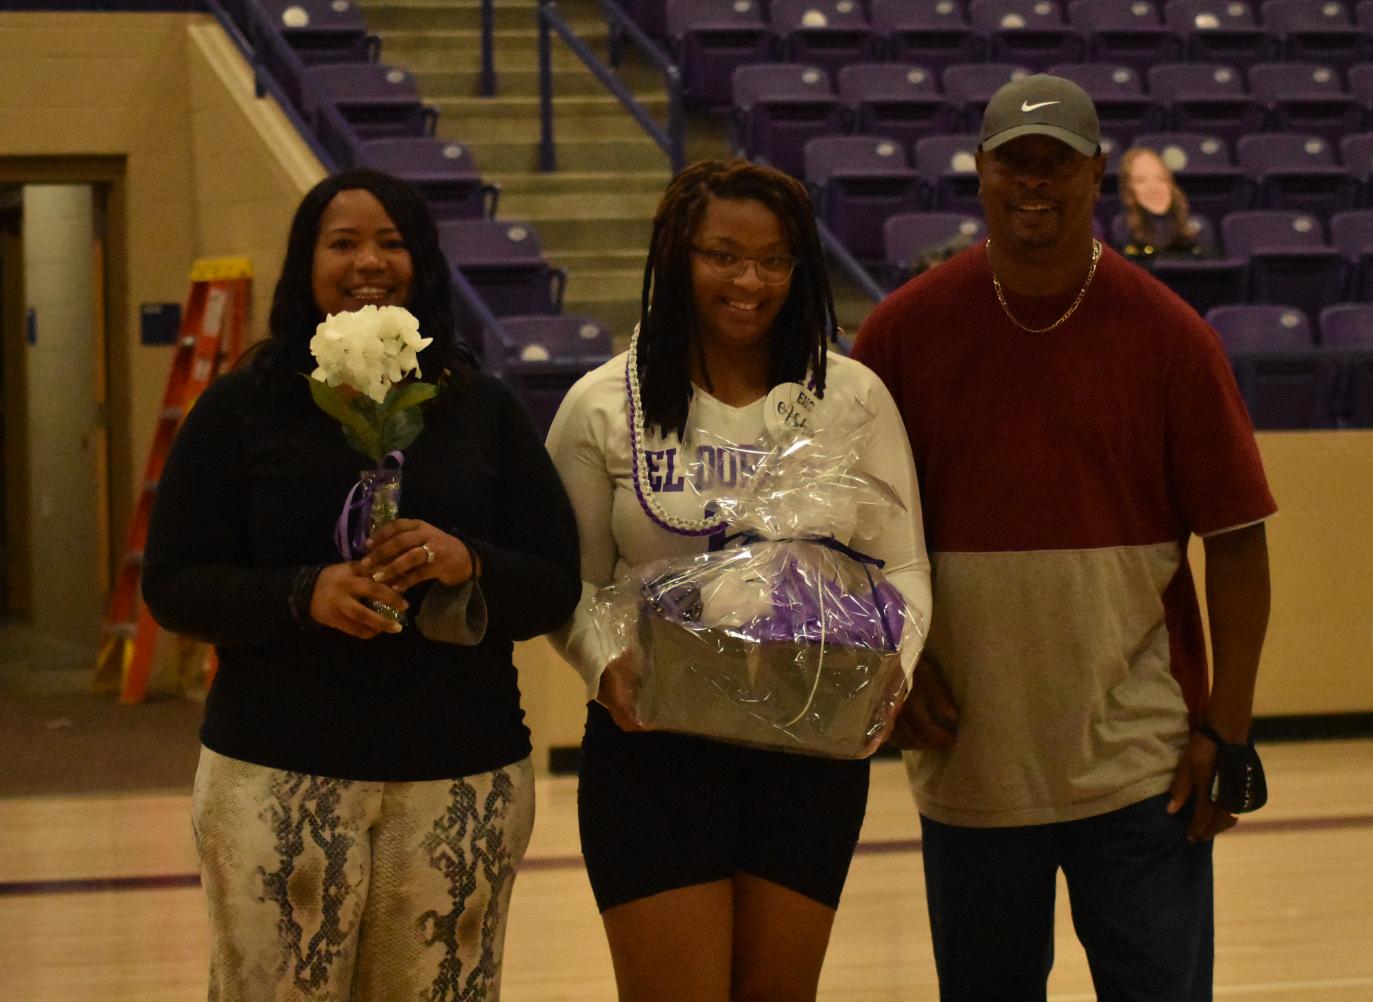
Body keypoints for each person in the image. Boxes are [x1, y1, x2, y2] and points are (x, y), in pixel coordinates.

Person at [851, 74, 1275, 1001]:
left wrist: (1227, 733)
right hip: (970, 767)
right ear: (980, 173)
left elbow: (1238, 545)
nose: (1033, 183)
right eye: (1015, 163)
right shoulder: (901, 334)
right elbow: (845, 538)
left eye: (1056, 164)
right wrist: (894, 664)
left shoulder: (1170, 337)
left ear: (1096, 176)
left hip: (1140, 768)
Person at [142, 168, 581, 1001]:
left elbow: (556, 583)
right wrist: (302, 594)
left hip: (460, 775)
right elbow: (173, 584)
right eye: (342, 243)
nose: (368, 261)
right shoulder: (243, 407)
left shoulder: (479, 407)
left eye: (391, 241)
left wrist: (469, 562)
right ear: (306, 265)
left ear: (422, 262)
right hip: (278, 771)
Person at [544, 159, 930, 1002]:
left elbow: (902, 565)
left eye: (774, 260)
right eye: (722, 255)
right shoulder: (601, 403)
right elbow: (565, 583)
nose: (748, 282)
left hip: (808, 746)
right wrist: (601, 662)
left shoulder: (852, 396)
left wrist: (890, 663)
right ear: (676, 256)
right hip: (653, 753)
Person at [1112, 146, 1214, 259]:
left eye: (1161, 179)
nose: (1154, 188)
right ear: (1128, 190)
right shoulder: (1123, 231)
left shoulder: (1197, 230)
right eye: (1140, 181)